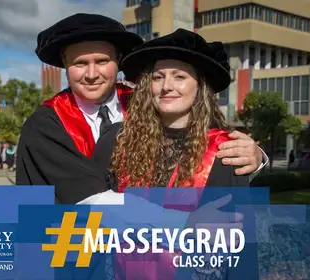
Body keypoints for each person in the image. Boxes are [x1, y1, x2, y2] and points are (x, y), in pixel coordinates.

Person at [16, 13, 268, 205]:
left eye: (102, 61)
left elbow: (201, 147)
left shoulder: (149, 103)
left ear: (118, 64)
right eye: (80, 63)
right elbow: (95, 200)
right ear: (65, 66)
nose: (91, 74)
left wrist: (255, 158)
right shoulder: (46, 125)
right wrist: (183, 224)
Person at [92, 28, 252, 280]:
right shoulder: (116, 140)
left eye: (179, 76)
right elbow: (92, 212)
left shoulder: (226, 152)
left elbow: (239, 246)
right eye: (158, 77)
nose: (167, 86)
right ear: (147, 85)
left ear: (200, 86)